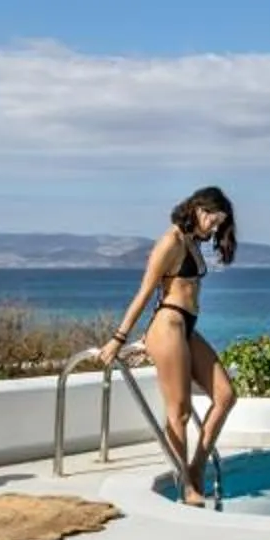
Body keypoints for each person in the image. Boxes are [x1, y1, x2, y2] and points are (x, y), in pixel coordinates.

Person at [101, 186, 239, 498]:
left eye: (219, 224)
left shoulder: (191, 241)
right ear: (199, 209)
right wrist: (118, 339)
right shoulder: (171, 242)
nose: (215, 229)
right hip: (168, 324)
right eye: (214, 221)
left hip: (187, 326)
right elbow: (145, 291)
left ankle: (196, 468)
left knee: (226, 395)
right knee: (180, 412)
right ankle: (187, 485)